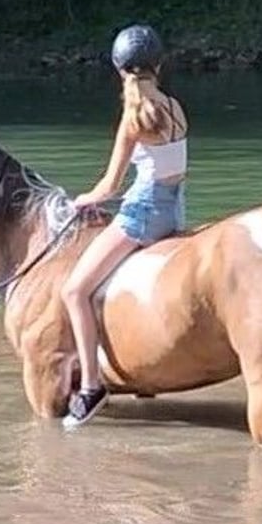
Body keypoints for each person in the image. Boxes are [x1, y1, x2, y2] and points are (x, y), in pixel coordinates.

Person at [61, 24, 188, 428]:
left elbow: (109, 185)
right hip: (175, 210)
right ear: (160, 64)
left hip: (142, 214)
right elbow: (167, 169)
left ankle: (92, 387)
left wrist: (79, 202)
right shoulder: (175, 107)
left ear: (119, 70)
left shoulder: (133, 117)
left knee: (75, 291)